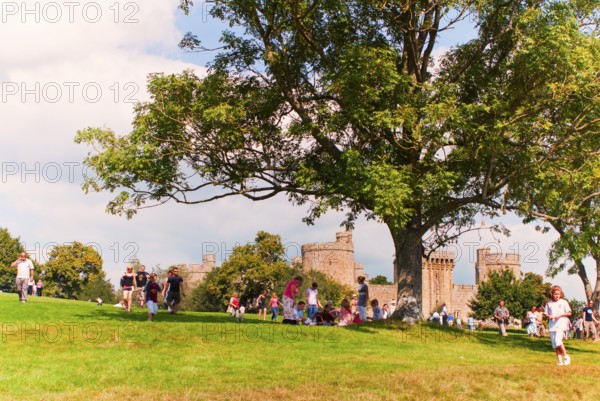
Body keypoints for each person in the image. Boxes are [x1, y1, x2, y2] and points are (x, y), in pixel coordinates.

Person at [544, 285, 572, 366]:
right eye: (555, 294)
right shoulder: (548, 303)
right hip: (552, 325)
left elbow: (569, 313)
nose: (557, 296)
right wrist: (549, 316)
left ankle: (566, 356)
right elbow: (546, 313)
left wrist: (559, 315)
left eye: (558, 294)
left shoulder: (563, 302)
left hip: (561, 324)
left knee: (558, 341)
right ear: (552, 294)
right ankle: (559, 361)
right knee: (554, 344)